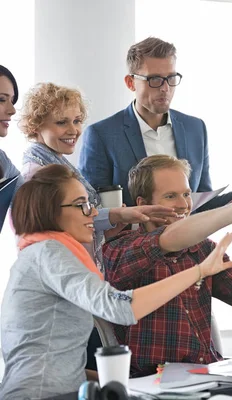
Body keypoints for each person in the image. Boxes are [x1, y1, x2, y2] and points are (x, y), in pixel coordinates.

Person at [0, 164, 232, 399]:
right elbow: (121, 307)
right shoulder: (50, 252)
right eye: (82, 205)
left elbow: (51, 355)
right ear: (50, 210)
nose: (94, 213)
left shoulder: (43, 252)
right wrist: (199, 271)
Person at [17, 82, 176, 371]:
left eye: (77, 121)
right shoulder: (40, 176)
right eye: (61, 122)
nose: (73, 130)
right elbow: (60, 225)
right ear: (37, 125)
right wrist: (115, 216)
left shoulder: (59, 167)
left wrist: (117, 218)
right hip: (68, 285)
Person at [103, 155, 232, 376]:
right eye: (171, 196)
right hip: (151, 380)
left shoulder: (203, 249)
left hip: (206, 372)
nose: (183, 204)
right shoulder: (121, 249)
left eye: (186, 194)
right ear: (143, 204)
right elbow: (166, 239)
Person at [79, 37, 232, 209]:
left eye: (171, 78)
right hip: (130, 236)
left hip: (190, 235)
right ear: (131, 83)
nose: (165, 88)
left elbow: (201, 204)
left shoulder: (195, 129)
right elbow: (93, 210)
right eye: (154, 79)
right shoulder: (101, 135)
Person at [0, 65, 23, 188]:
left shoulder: (2, 159)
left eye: (12, 100)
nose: (12, 110)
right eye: (1, 99)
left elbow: (26, 198)